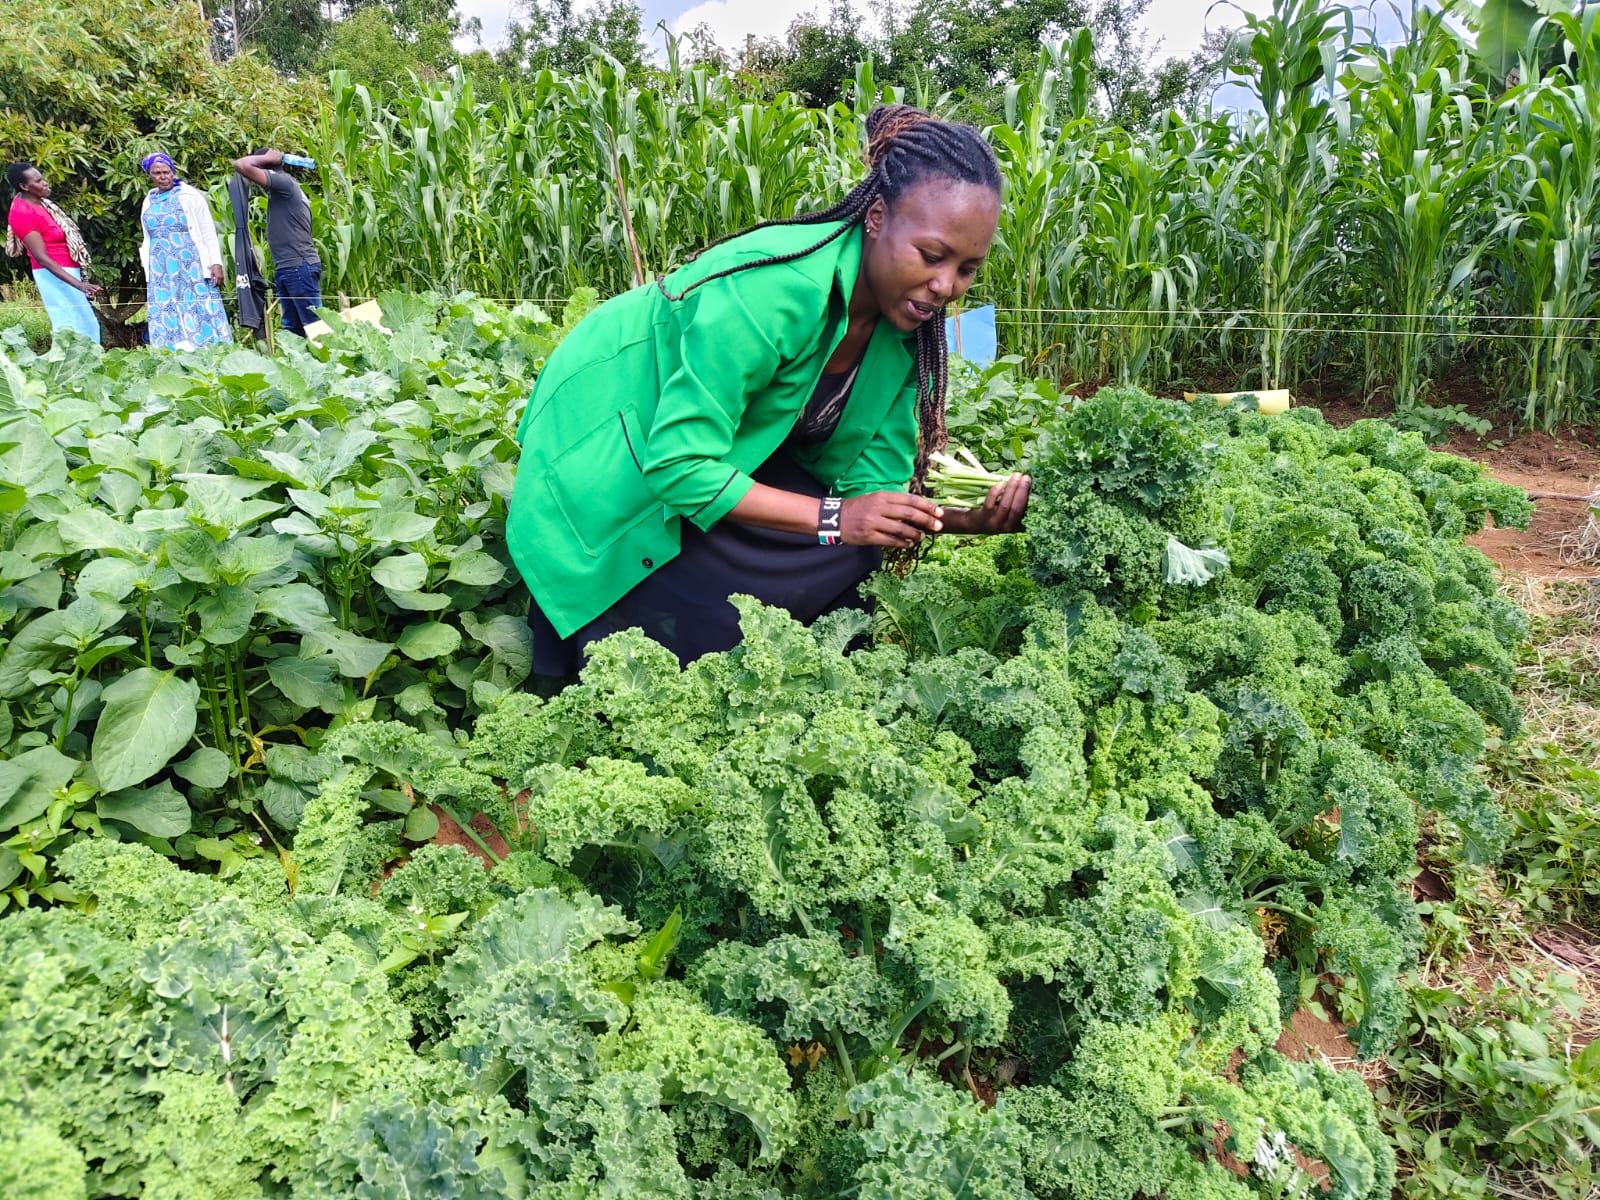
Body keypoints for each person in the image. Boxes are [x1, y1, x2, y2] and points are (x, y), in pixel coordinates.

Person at [508, 104, 1031, 679]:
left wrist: (963, 520)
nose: (944, 286)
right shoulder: (773, 289)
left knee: (850, 551)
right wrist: (833, 517)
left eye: (967, 269)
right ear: (877, 217)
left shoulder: (903, 331)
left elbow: (872, 492)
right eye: (932, 256)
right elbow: (678, 465)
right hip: (609, 438)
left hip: (713, 448)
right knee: (664, 580)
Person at [139, 153, 232, 351]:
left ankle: (209, 349)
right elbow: (148, 236)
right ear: (150, 175)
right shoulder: (149, 199)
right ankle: (173, 351)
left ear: (173, 172)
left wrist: (215, 263)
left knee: (198, 305)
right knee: (168, 307)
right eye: (157, 173)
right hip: (161, 268)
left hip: (191, 264)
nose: (163, 177)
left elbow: (207, 231)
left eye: (166, 172)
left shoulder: (189, 196)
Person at [4, 163, 102, 345]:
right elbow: (41, 257)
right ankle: (71, 368)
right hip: (53, 273)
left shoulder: (42, 204)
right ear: (24, 186)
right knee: (71, 327)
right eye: (39, 181)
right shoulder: (22, 213)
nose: (45, 183)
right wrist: (79, 285)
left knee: (86, 325)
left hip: (65, 271)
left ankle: (87, 367)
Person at [231, 148, 321, 337]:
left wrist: (267, 158)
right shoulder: (281, 191)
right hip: (289, 267)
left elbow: (241, 165)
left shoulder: (284, 183)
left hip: (298, 265)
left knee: (315, 328)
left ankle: (328, 364)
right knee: (293, 331)